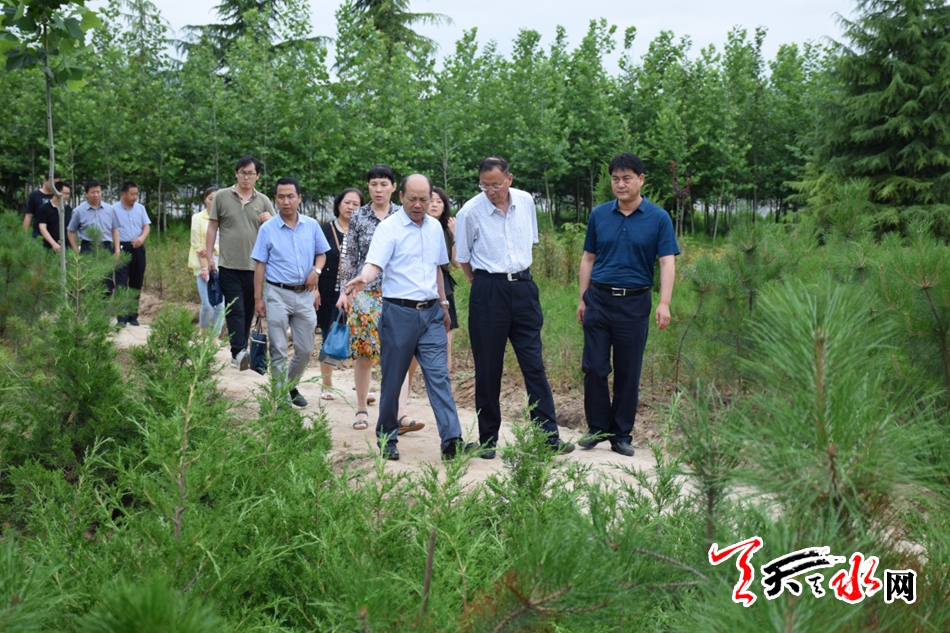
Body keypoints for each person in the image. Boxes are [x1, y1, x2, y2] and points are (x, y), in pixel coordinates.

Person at [343, 174, 475, 461]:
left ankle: (452, 441)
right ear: (401, 196)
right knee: (393, 379)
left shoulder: (434, 228)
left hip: (431, 314)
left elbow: (437, 268)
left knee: (439, 377)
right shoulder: (389, 228)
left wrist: (443, 304)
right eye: (412, 199)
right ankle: (387, 438)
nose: (418, 205)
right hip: (398, 314)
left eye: (423, 199)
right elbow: (374, 263)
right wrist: (363, 279)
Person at [455, 156, 573, 459]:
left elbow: (528, 241)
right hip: (488, 290)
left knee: (534, 365)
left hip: (523, 288)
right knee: (488, 368)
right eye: (484, 186)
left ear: (509, 179)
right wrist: (481, 282)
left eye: (496, 185)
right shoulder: (470, 211)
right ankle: (488, 440)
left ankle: (548, 437)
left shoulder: (526, 201)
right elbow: (463, 257)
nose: (490, 191)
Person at [576, 152, 679, 457]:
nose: (620, 184)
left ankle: (621, 434)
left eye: (626, 178)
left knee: (628, 370)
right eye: (615, 179)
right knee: (594, 367)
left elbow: (667, 261)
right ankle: (597, 427)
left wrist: (664, 302)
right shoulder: (599, 215)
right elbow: (588, 258)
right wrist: (582, 297)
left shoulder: (658, 218)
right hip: (598, 299)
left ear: (640, 180)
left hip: (635, 303)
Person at [336, 164, 419, 434]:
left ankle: (400, 413)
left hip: (399, 293)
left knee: (399, 353)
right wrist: (345, 291)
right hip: (365, 293)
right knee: (364, 353)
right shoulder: (359, 216)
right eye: (373, 184)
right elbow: (350, 257)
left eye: (384, 184)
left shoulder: (403, 214)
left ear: (394, 187)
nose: (378, 189)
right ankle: (362, 408)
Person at [252, 177, 329, 408]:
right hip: (277, 293)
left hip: (304, 294)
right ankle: (281, 404)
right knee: (278, 349)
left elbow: (322, 253)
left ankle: (288, 385)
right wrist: (258, 298)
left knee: (305, 349)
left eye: (290, 196)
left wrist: (316, 271)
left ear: (299, 198)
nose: (286, 201)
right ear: (275, 199)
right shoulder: (267, 229)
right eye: (281, 197)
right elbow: (260, 264)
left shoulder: (311, 225)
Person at [206, 156, 274, 370]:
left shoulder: (263, 201)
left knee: (248, 309)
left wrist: (270, 221)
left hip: (255, 267)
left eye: (251, 173)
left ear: (257, 176)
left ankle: (241, 350)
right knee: (235, 308)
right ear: (236, 173)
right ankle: (238, 352)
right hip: (228, 264)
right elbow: (212, 227)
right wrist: (209, 257)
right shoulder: (222, 196)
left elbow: (276, 231)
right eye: (243, 172)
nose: (246, 177)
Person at [405, 186, 458, 398]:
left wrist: (455, 234)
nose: (435, 204)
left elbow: (456, 262)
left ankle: (443, 392)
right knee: (414, 346)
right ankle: (407, 389)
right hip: (419, 286)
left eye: (439, 201)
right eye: (432, 200)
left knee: (446, 342)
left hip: (445, 288)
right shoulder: (414, 227)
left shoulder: (445, 229)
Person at [317, 187, 362, 400]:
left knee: (361, 340)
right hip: (330, 293)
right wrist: (314, 289)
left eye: (356, 204)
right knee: (330, 336)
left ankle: (362, 388)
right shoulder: (325, 230)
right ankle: (327, 385)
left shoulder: (363, 231)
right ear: (338, 204)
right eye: (347, 203)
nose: (351, 207)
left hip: (358, 294)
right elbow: (315, 259)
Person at [112, 181, 151, 326]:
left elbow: (146, 226)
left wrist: (141, 238)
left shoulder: (140, 208)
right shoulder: (113, 209)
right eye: (132, 194)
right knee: (121, 283)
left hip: (138, 247)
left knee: (136, 282)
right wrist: (116, 249)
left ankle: (132, 316)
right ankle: (121, 317)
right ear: (123, 194)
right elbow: (112, 230)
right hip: (122, 247)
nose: (135, 197)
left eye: (136, 194)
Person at [189, 186, 224, 335]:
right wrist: (204, 267)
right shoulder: (197, 218)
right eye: (211, 199)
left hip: (222, 264)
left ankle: (215, 336)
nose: (213, 202)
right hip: (202, 264)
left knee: (220, 306)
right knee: (208, 304)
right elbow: (196, 244)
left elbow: (229, 242)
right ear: (205, 200)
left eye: (217, 199)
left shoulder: (225, 217)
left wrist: (212, 247)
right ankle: (203, 331)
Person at [67, 180, 119, 257]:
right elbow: (70, 231)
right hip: (88, 247)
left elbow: (114, 230)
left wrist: (117, 250)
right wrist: (76, 250)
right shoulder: (78, 211)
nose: (96, 195)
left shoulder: (110, 209)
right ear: (86, 193)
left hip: (106, 246)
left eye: (98, 192)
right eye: (92, 192)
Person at [23, 170, 61, 237]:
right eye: (53, 183)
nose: (54, 185)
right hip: (39, 234)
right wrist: (24, 234)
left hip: (56, 235)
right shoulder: (34, 195)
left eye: (57, 183)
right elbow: (28, 216)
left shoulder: (58, 196)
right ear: (45, 180)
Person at [36, 181, 72, 252]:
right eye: (65, 193)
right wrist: (53, 243)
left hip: (67, 247)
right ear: (56, 192)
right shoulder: (44, 208)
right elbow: (42, 228)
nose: (67, 196)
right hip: (49, 247)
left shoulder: (68, 209)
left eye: (68, 194)